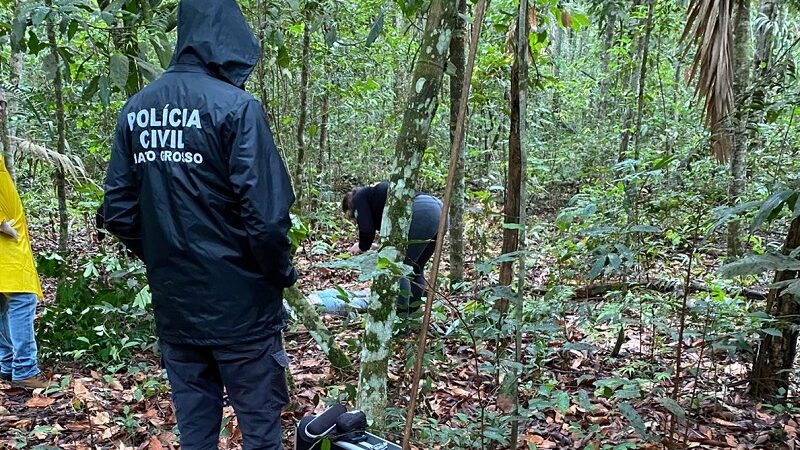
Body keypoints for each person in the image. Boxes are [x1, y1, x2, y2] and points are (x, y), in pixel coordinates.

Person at [100, 0, 296, 448]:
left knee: (195, 432)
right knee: (261, 431)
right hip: (243, 309)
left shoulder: (136, 109)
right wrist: (277, 274)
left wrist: (169, 254)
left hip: (177, 304)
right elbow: (265, 220)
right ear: (229, 39)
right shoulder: (237, 108)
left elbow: (118, 210)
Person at [341, 181, 447, 313]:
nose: (355, 219)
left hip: (421, 212)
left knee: (398, 267)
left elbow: (367, 229)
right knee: (415, 268)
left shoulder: (359, 197)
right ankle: (412, 313)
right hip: (440, 210)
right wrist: (376, 246)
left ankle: (400, 317)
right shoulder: (375, 198)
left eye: (352, 216)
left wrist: (362, 246)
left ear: (351, 208)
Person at [0, 148, 49, 390]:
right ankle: (25, 369)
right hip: (6, 250)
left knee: (4, 305)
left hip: (8, 249)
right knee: (21, 300)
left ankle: (7, 365)